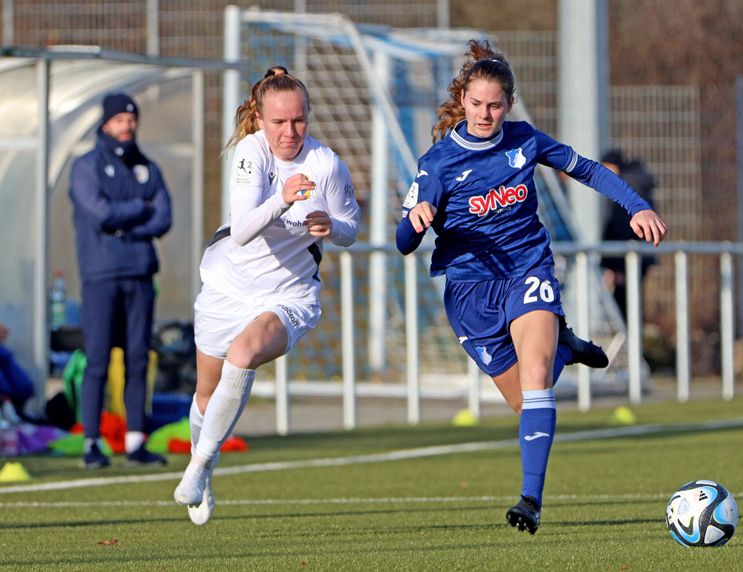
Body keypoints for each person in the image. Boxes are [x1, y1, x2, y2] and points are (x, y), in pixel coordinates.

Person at [395, 40, 667, 536]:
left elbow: (585, 169)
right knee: (527, 406)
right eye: (476, 104)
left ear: (509, 103)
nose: (485, 113)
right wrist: (414, 221)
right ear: (462, 101)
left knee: (538, 379)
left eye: (495, 105)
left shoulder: (524, 140)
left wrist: (636, 205)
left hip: (529, 272)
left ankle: (530, 500)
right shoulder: (438, 163)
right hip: (470, 293)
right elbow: (403, 243)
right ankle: (566, 347)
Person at [173, 66, 361, 525]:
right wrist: (283, 198)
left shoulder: (326, 163)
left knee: (246, 352)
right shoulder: (248, 155)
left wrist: (330, 227)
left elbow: (352, 229)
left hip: (288, 294)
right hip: (227, 287)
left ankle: (197, 467)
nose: (290, 132)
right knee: (204, 393)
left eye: (298, 121)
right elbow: (240, 232)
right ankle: (206, 467)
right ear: (260, 119)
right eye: (279, 122)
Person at [69, 92, 173, 469]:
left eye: (131, 120)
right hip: (101, 275)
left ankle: (135, 442)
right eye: (119, 121)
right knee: (96, 360)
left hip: (140, 273)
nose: (127, 126)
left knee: (137, 360)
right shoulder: (86, 167)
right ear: (105, 124)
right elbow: (98, 213)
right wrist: (137, 210)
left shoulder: (148, 167)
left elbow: (163, 218)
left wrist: (124, 222)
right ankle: (92, 443)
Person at [600, 148, 658, 320]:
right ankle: (633, 339)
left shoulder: (626, 186)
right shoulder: (636, 181)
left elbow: (622, 227)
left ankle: (631, 341)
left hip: (628, 256)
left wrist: (616, 266)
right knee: (631, 301)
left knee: (625, 304)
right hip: (636, 254)